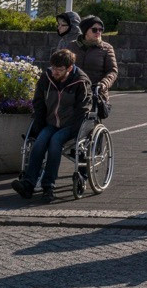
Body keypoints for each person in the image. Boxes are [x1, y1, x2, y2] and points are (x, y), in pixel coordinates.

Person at [14, 49, 91, 200]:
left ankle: (48, 185)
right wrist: (38, 125)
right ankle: (28, 184)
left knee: (55, 142)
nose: (55, 72)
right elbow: (39, 102)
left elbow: (83, 108)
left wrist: (76, 132)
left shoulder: (81, 81)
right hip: (51, 122)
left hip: (71, 125)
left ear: (69, 68)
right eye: (53, 68)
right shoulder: (46, 77)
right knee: (40, 142)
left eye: (59, 70)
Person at [72, 16, 117, 120]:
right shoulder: (72, 46)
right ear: (85, 31)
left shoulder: (106, 48)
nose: (98, 32)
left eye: (101, 30)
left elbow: (112, 71)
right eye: (94, 29)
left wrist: (103, 84)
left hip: (96, 94)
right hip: (73, 92)